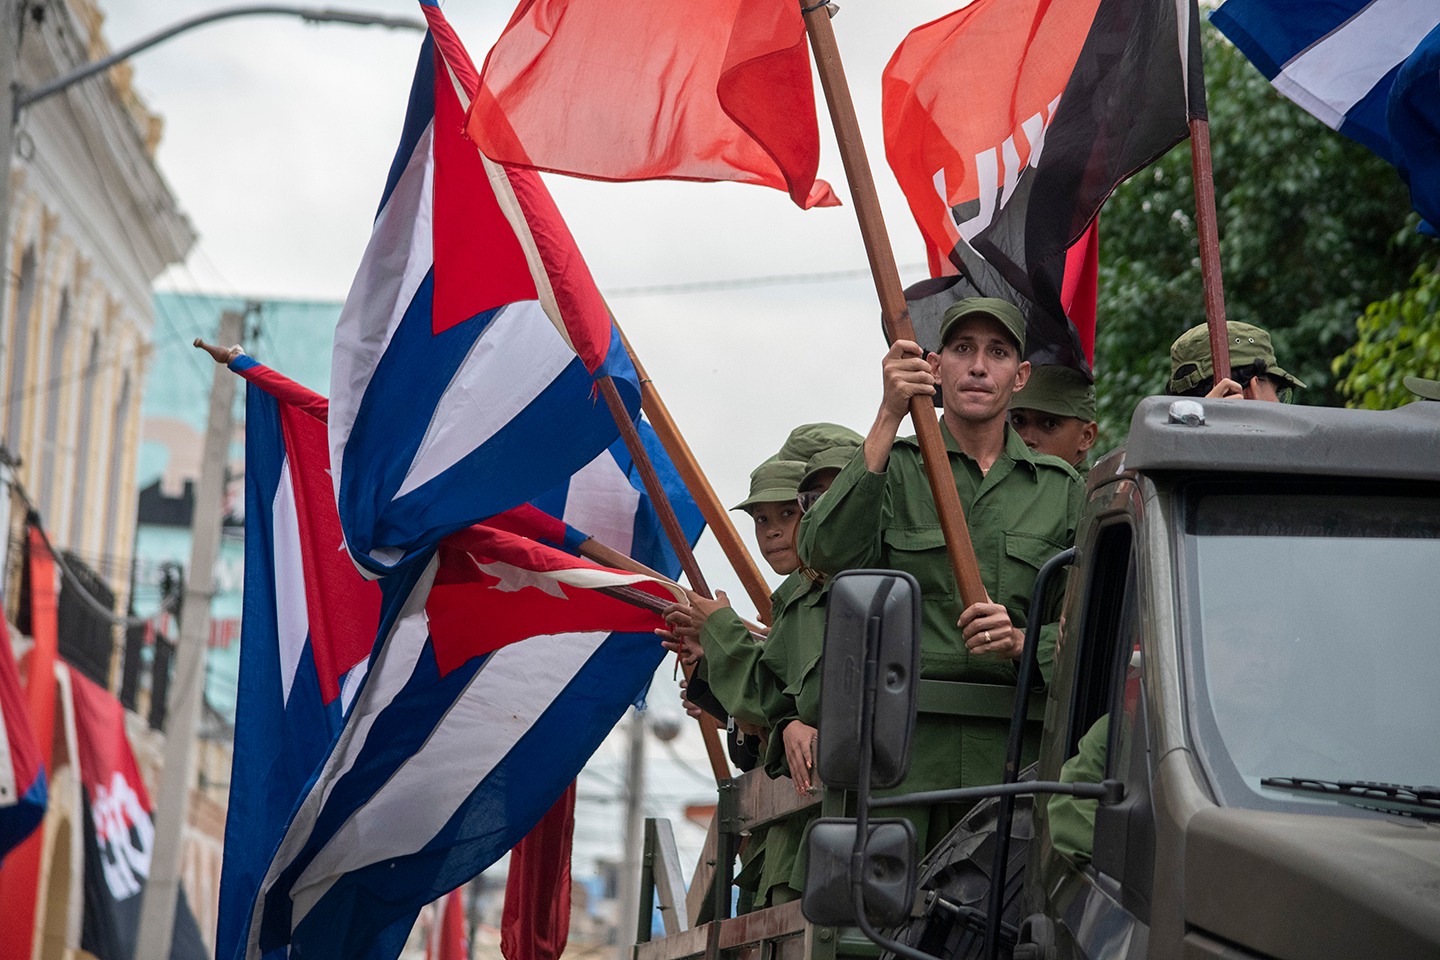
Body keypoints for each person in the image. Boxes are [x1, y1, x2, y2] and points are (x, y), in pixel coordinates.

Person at [798, 297, 1083, 852]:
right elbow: (825, 550)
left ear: (1020, 376)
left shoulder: (1062, 491)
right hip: (902, 752)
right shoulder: (895, 467)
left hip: (1016, 759)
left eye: (997, 353)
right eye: (962, 349)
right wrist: (888, 416)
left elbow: (1091, 625)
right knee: (887, 925)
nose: (978, 366)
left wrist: (1024, 642)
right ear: (935, 366)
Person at [1167, 321, 1305, 401]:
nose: (1279, 403)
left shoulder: (1164, 445)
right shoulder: (1271, 448)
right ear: (1254, 387)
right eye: (1279, 394)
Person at [1009, 364, 1098, 470]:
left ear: (1086, 437)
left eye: (1049, 424)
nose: (1026, 439)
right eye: (1019, 420)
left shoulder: (1099, 485)